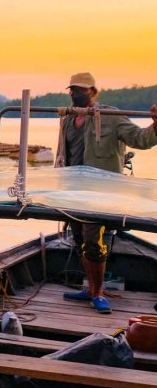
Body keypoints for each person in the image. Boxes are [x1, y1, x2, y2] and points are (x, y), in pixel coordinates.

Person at [58, 72, 157, 314]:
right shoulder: (68, 119)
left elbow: (140, 139)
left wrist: (156, 125)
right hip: (72, 190)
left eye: (80, 90)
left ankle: (98, 292)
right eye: (72, 90)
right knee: (79, 238)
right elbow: (65, 152)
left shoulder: (110, 116)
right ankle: (90, 289)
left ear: (92, 92)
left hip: (100, 192)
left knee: (93, 240)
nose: (75, 94)